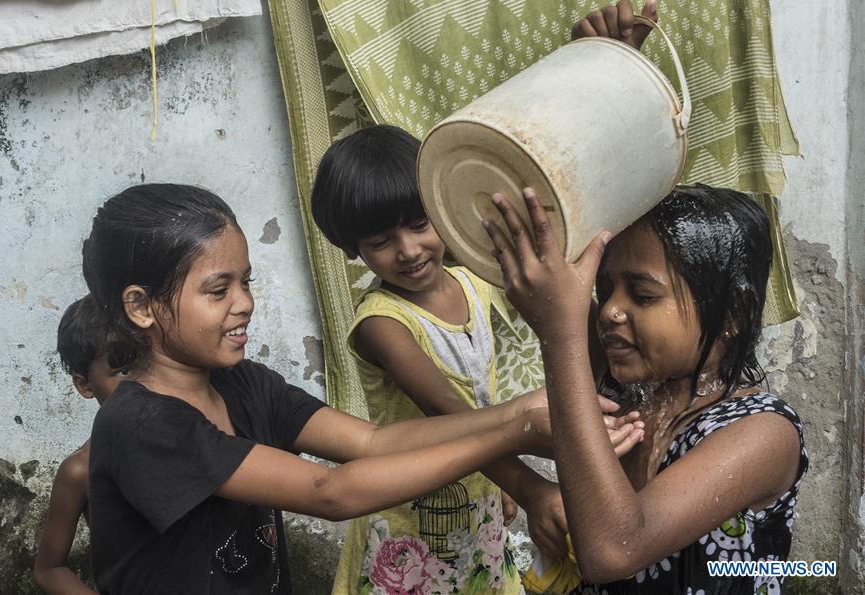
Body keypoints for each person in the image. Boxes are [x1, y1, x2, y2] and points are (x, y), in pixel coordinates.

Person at [81, 182, 556, 594]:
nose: (244, 303)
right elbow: (329, 491)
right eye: (218, 290)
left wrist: (520, 414)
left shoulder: (242, 383)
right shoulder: (142, 425)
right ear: (141, 307)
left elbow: (372, 442)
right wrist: (512, 432)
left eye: (246, 282)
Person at [311, 124, 644, 594]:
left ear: (442, 212)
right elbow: (451, 412)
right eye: (380, 242)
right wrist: (531, 489)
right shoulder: (381, 323)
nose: (408, 250)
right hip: (411, 524)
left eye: (419, 224)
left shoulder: (475, 281)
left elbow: (562, 316)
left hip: (482, 504)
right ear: (353, 247)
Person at [483, 184, 807, 593]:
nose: (611, 310)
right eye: (606, 289)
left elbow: (614, 550)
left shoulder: (763, 433)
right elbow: (546, 273)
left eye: (643, 295)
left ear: (732, 314)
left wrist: (560, 336)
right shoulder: (628, 387)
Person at [34, 295, 131, 594]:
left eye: (148, 363)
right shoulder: (81, 471)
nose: (141, 383)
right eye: (122, 371)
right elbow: (49, 568)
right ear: (85, 385)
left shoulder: (198, 438)